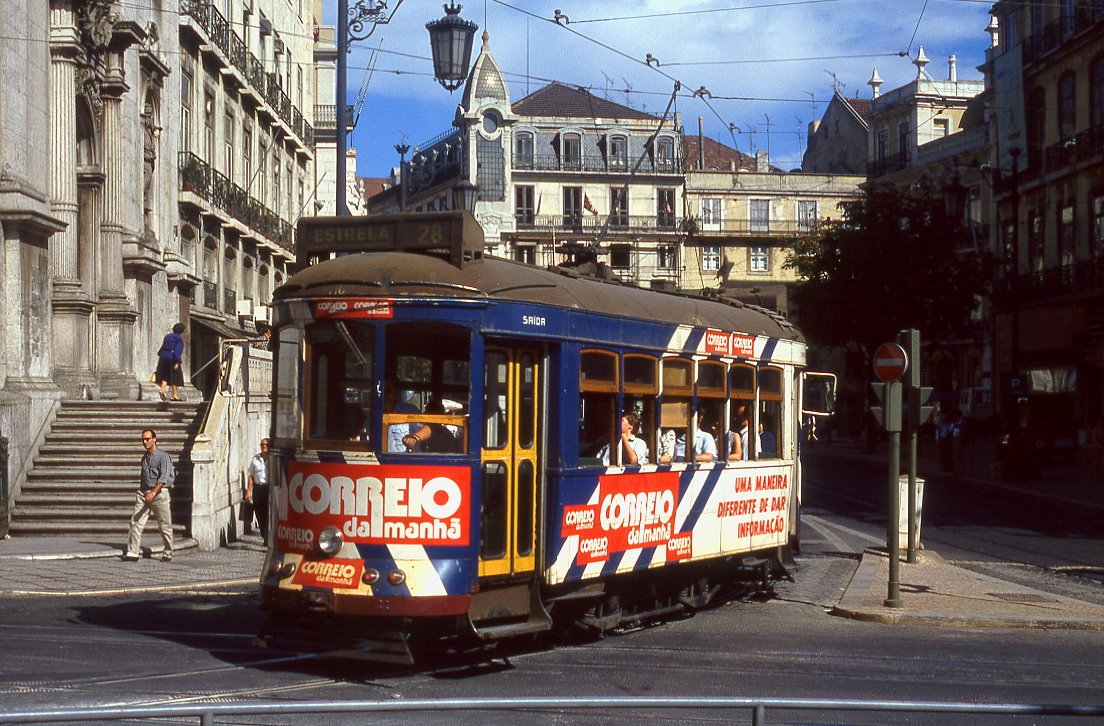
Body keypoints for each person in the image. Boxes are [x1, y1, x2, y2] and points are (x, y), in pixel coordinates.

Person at [123, 429, 174, 562]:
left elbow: (163, 478)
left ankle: (168, 551)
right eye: (143, 439)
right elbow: (143, 477)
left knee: (164, 525)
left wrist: (153, 493)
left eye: (148, 439)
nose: (145, 441)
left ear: (154, 439)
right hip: (144, 493)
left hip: (159, 494)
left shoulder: (163, 457)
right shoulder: (144, 458)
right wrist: (143, 491)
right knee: (136, 522)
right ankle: (133, 552)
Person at [386, 386, 431, 453]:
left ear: (395, 392)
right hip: (384, 462)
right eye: (382, 391)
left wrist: (415, 437)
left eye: (388, 390)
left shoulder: (410, 410)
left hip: (408, 461)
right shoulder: (374, 415)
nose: (385, 395)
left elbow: (428, 429)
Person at [245, 438, 271, 543]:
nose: (264, 446)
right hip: (258, 488)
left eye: (266, 444)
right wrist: (248, 491)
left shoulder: (273, 459)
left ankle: (268, 535)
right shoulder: (255, 459)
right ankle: (265, 535)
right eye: (262, 444)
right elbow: (251, 475)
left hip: (269, 488)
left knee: (268, 513)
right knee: (259, 513)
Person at [155, 323, 186, 401]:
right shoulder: (178, 338)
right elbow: (177, 351)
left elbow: (163, 347)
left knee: (166, 375)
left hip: (163, 357)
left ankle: (162, 390)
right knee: (175, 376)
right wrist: (177, 362)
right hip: (171, 358)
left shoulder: (167, 336)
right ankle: (174, 395)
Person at [1092, 417, 1104, 483]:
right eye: (1100, 422)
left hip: (1102, 447)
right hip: (1097, 448)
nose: (1101, 423)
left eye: (1102, 422)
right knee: (1096, 462)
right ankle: (1096, 476)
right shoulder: (1095, 430)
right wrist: (1099, 445)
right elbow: (1094, 439)